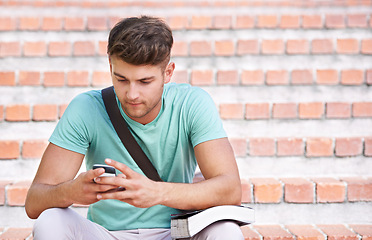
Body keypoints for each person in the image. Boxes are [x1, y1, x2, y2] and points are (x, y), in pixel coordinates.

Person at [25, 16, 243, 240]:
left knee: (227, 230)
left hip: (177, 233)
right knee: (50, 220)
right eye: (121, 79)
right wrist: (71, 191)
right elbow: (34, 202)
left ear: (168, 73)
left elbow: (230, 189)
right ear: (110, 67)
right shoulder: (86, 108)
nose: (132, 94)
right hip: (106, 234)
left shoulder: (192, 104)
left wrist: (156, 193)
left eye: (145, 82)